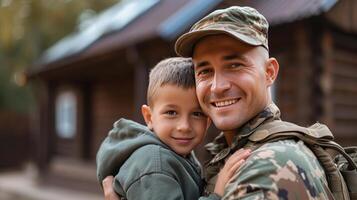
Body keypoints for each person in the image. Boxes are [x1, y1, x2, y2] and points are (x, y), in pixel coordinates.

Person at [103, 6, 334, 200]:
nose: (217, 86)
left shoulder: (270, 166)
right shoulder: (228, 153)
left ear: (269, 72)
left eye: (234, 65)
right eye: (204, 71)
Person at [96, 57, 251, 200]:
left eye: (197, 114)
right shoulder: (155, 165)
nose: (184, 126)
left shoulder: (177, 154)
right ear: (149, 117)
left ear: (208, 120)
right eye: (171, 112)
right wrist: (217, 194)